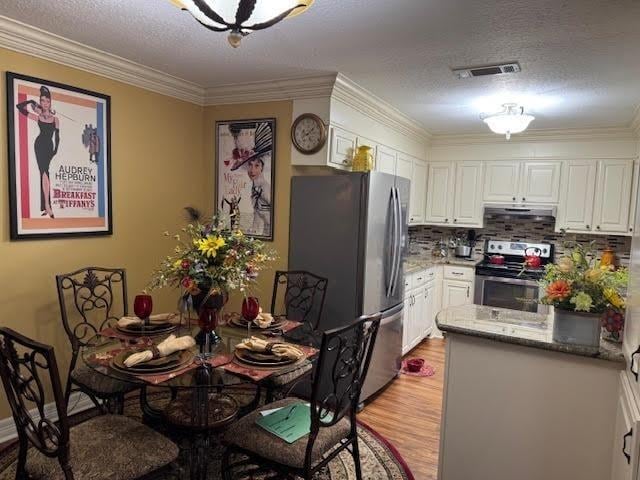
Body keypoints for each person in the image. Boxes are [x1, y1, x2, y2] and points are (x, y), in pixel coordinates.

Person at [16, 86, 60, 218]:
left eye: (47, 101)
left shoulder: (55, 119)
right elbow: (19, 107)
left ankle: (46, 206)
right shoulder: (38, 117)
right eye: (42, 101)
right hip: (39, 145)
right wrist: (30, 102)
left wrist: (55, 150)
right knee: (44, 173)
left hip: (49, 146)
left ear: (50, 102)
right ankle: (47, 206)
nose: (44, 103)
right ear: (40, 102)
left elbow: (57, 137)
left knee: (45, 174)